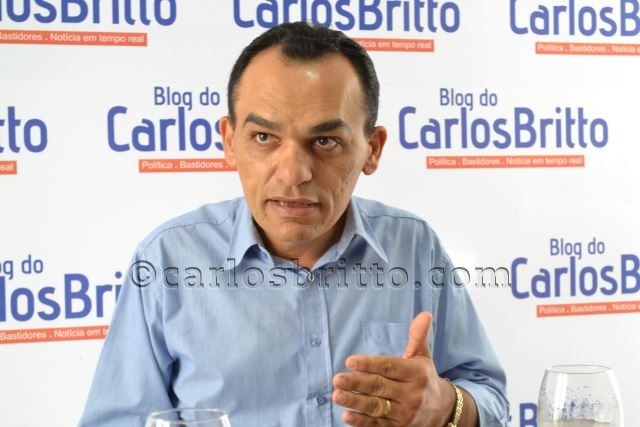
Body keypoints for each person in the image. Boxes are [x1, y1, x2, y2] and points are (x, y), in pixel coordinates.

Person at [79, 22, 508, 426]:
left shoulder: (414, 246)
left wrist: (445, 405)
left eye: (325, 141)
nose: (293, 173)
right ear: (230, 142)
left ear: (372, 149)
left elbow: (490, 397)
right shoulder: (166, 260)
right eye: (264, 138)